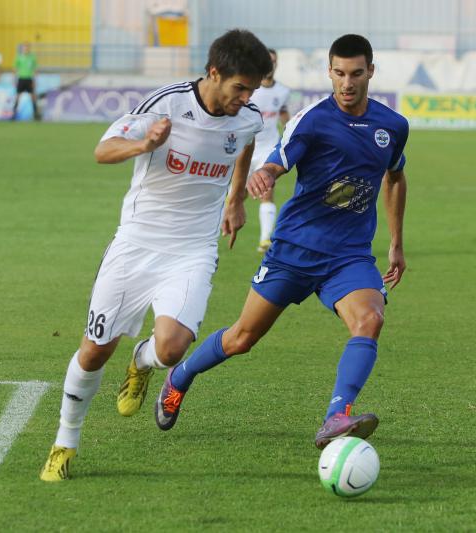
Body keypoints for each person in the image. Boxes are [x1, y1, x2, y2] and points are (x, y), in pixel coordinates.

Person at [153, 34, 410, 450]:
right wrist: (266, 174)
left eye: (356, 74)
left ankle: (336, 416)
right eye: (339, 73)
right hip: (295, 250)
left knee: (370, 320)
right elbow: (280, 159)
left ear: (371, 72)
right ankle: (179, 377)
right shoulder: (313, 119)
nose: (347, 83)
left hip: (349, 256)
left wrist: (396, 242)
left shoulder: (392, 126)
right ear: (329, 71)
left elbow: (395, 177)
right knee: (242, 339)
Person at [39, 29, 273, 481]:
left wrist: (236, 199)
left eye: (252, 90)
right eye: (239, 87)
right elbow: (103, 150)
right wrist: (144, 145)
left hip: (192, 250)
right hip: (136, 245)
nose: (245, 99)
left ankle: (143, 363)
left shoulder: (247, 117)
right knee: (93, 352)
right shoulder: (164, 105)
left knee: (172, 348)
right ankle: (65, 442)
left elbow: (244, 145)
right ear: (214, 73)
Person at [248, 48, 290, 253]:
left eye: (274, 61)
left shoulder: (282, 91)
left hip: (269, 148)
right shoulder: (250, 89)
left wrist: (292, 132)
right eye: (267, 61)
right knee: (236, 194)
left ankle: (265, 239)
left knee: (267, 191)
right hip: (246, 148)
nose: (271, 64)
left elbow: (284, 114)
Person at [13, 42, 39, 120]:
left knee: (33, 96)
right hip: (21, 78)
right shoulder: (19, 57)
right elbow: (15, 69)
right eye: (24, 48)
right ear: (22, 49)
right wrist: (14, 80)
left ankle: (35, 114)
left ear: (29, 49)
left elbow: (35, 70)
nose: (26, 49)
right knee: (18, 96)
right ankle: (14, 113)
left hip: (29, 79)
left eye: (27, 48)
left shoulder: (32, 57)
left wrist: (34, 80)